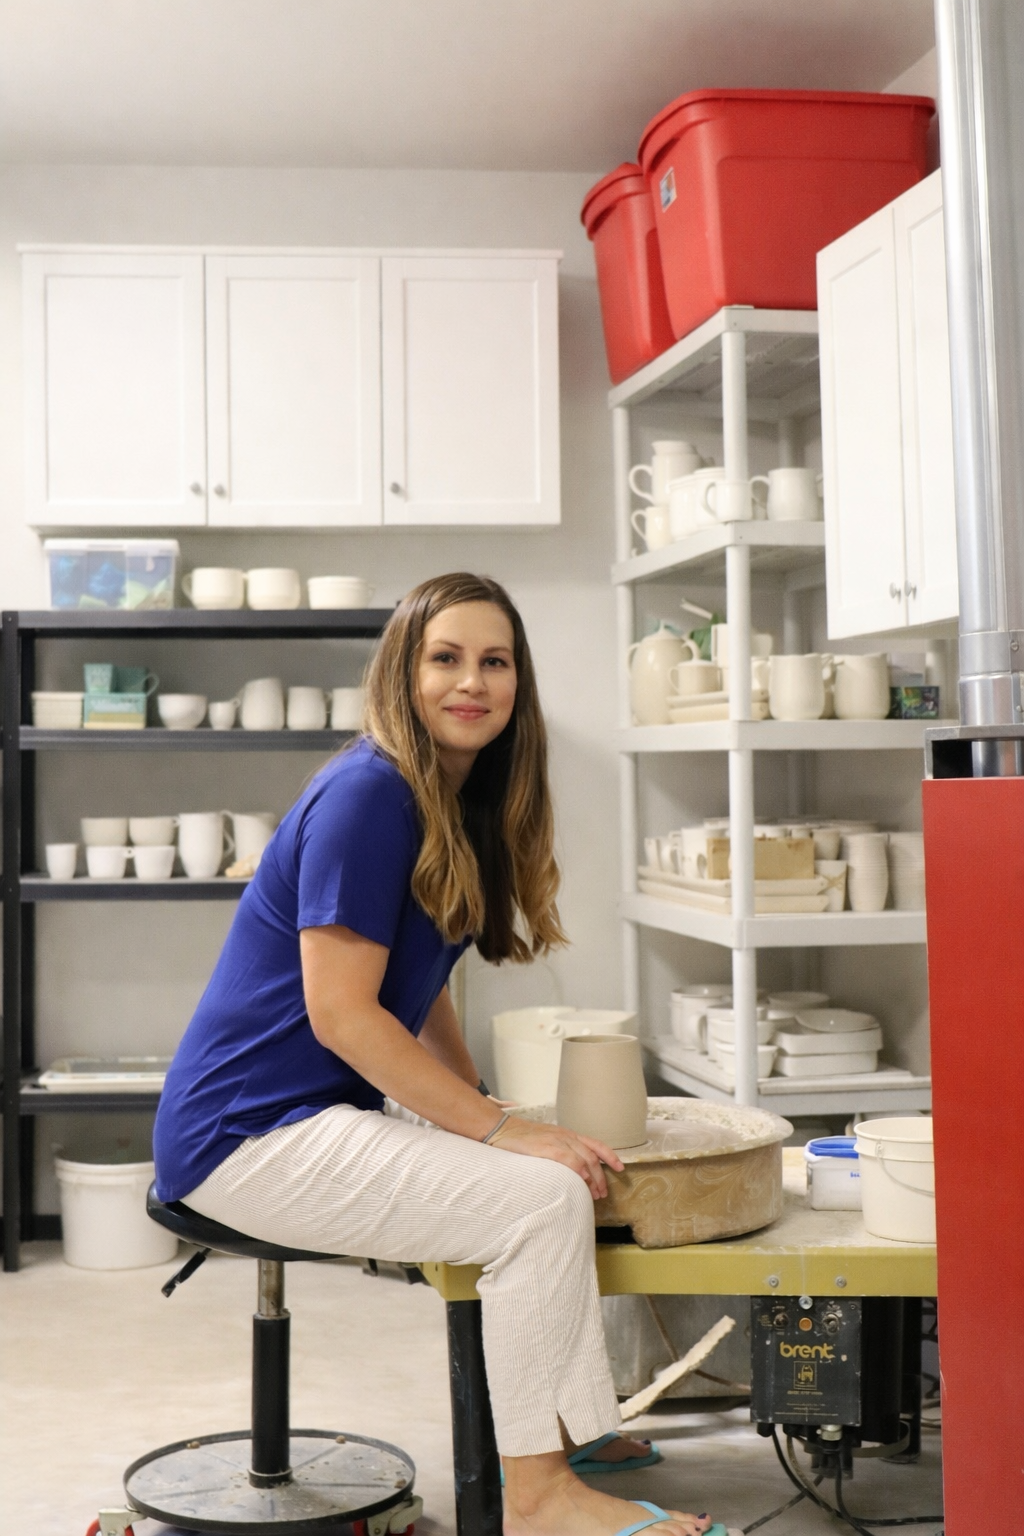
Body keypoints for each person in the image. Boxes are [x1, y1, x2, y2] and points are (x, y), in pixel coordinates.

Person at [154, 572, 718, 1536]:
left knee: (568, 1165)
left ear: (518, 683)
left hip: (316, 1113)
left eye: (494, 662)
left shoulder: (455, 799)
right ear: (400, 676)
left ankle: (566, 1427)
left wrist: (495, 1115)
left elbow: (418, 994)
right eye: (445, 659)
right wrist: (500, 1131)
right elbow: (342, 1017)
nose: (472, 683)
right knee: (538, 1196)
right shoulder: (370, 794)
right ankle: (541, 1499)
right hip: (244, 1135)